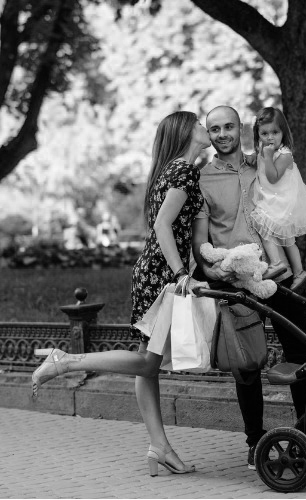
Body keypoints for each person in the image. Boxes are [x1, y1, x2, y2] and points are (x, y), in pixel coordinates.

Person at [32, 111, 211, 476]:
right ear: (186, 131)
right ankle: (66, 361)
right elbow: (163, 225)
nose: (207, 129)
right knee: (148, 363)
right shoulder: (183, 171)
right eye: (201, 124)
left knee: (148, 365)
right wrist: (180, 275)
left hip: (154, 272)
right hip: (163, 276)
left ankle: (159, 446)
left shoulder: (174, 169)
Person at [192, 105, 306, 470]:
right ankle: (255, 442)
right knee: (246, 366)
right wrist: (217, 273)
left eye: (229, 126)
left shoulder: (263, 162)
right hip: (238, 280)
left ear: (241, 128)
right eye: (215, 129)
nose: (223, 133)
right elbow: (201, 243)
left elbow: (288, 203)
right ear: (209, 135)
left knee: (301, 351)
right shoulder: (202, 179)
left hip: (277, 276)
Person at [251, 107, 306, 291]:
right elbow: (258, 165)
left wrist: (266, 156)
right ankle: (299, 272)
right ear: (258, 134)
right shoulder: (263, 150)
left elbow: (273, 176)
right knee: (286, 239)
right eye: (264, 133)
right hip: (272, 198)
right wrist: (260, 156)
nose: (270, 137)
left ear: (283, 133)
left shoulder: (285, 154)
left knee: (264, 227)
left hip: (281, 201)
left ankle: (277, 263)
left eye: (275, 132)